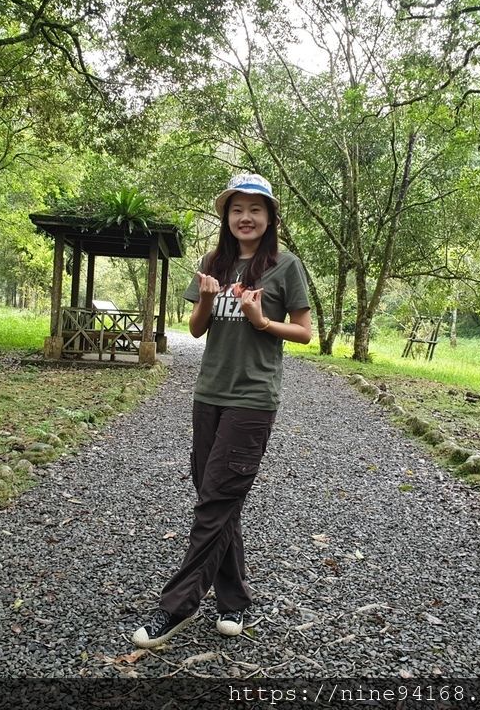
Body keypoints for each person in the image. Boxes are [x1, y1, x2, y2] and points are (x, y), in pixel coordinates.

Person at [132, 173, 312, 648]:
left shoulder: (285, 266)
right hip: (208, 393)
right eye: (237, 209)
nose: (245, 217)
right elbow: (195, 330)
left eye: (255, 209)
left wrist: (261, 320)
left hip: (251, 400)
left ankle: (176, 607)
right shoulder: (214, 262)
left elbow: (304, 333)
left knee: (215, 501)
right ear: (226, 216)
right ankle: (234, 601)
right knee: (218, 498)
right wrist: (208, 299)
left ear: (270, 217)